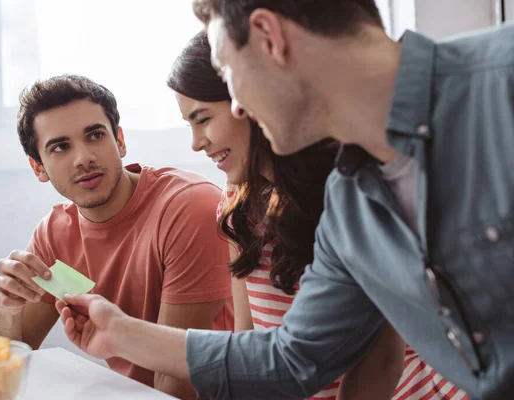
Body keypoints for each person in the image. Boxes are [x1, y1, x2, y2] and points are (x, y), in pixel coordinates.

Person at [56, 1, 514, 399]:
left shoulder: (501, 80)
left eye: (230, 73)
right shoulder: (349, 205)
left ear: (268, 38)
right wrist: (118, 332)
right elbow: (295, 358)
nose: (237, 106)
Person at [169, 30, 468, 400]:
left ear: (249, 102)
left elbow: (380, 361)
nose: (196, 142)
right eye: (190, 125)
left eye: (203, 119)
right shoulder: (236, 208)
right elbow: (247, 337)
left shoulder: (347, 195)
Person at [0, 75, 234, 399]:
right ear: (38, 168)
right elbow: (9, 362)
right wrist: (6, 309)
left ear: (119, 141)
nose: (83, 158)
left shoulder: (190, 207)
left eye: (95, 135)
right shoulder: (55, 233)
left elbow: (177, 383)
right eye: (60, 146)